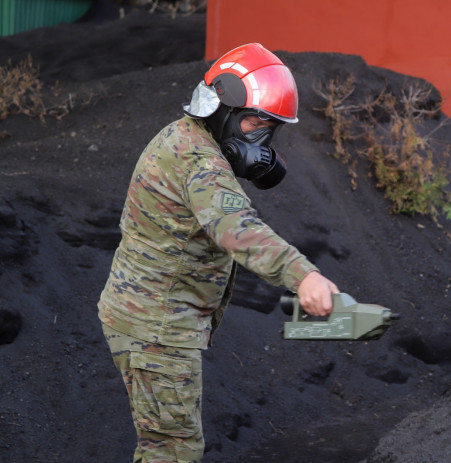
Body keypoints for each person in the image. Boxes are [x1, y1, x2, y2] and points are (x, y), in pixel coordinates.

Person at [97, 43, 339, 462]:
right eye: (254, 124)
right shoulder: (201, 164)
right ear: (221, 110)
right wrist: (304, 276)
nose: (262, 142)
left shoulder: (182, 134)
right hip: (157, 330)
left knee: (163, 448)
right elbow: (238, 230)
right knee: (173, 452)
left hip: (147, 317)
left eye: (270, 129)